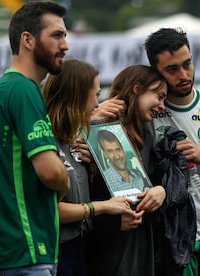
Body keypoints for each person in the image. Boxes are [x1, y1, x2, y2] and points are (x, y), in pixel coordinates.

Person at [0, 2, 70, 275]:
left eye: (65, 35)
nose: (66, 45)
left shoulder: (2, 89)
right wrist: (65, 180)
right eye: (57, 35)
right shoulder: (23, 89)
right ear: (28, 40)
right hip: (28, 252)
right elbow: (50, 172)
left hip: (8, 253)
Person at [144, 28, 200, 276]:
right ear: (155, 70)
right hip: (163, 241)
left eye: (187, 64)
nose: (184, 75)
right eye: (172, 69)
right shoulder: (147, 112)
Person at [42, 58, 130, 276]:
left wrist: (92, 169)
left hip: (79, 245)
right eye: (96, 95)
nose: (97, 105)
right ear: (77, 95)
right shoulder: (42, 142)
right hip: (54, 251)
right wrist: (103, 207)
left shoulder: (79, 135)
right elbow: (46, 209)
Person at [87, 64, 167, 276]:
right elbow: (82, 199)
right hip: (109, 254)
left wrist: (160, 192)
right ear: (137, 88)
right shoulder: (96, 131)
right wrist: (112, 222)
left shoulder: (147, 138)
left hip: (141, 250)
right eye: (158, 96)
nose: (161, 105)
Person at [97, 129, 147, 194]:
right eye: (110, 151)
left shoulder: (138, 175)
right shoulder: (104, 180)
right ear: (105, 154)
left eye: (118, 150)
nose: (117, 156)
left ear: (123, 150)